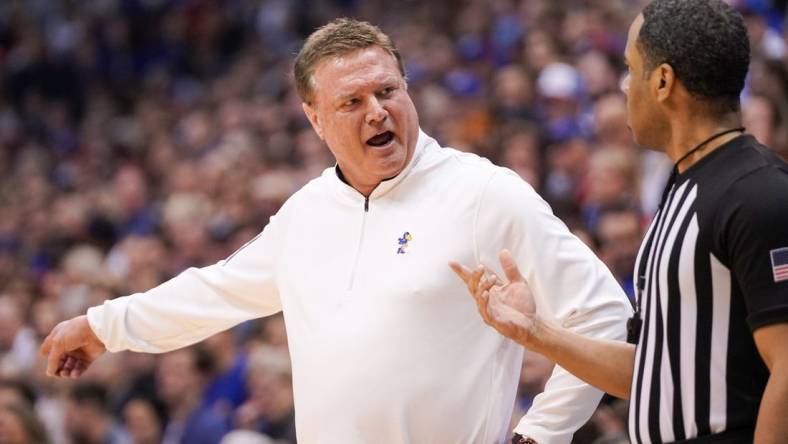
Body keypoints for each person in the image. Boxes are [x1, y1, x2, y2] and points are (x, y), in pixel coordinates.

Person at [39, 18, 632, 444]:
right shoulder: (306, 213)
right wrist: (100, 326)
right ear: (314, 118)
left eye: (388, 91)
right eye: (351, 101)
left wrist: (539, 435)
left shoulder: (483, 192)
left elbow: (603, 310)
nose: (377, 111)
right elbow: (213, 292)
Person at [452, 1, 788, 443]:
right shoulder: (683, 189)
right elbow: (652, 377)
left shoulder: (758, 193)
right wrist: (537, 333)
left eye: (631, 68)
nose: (625, 85)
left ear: (663, 81)